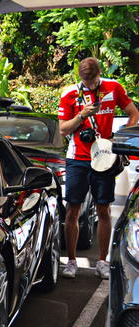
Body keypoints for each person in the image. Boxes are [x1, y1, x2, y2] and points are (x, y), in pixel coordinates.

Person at [59, 57, 139, 279]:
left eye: (93, 81)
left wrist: (119, 137)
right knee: (73, 210)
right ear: (80, 77)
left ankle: (102, 262)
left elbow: (134, 114)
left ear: (99, 74)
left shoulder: (113, 87)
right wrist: (82, 115)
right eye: (86, 81)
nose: (90, 86)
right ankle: (71, 262)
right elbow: (63, 130)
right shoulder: (70, 94)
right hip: (77, 159)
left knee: (103, 210)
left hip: (104, 158)